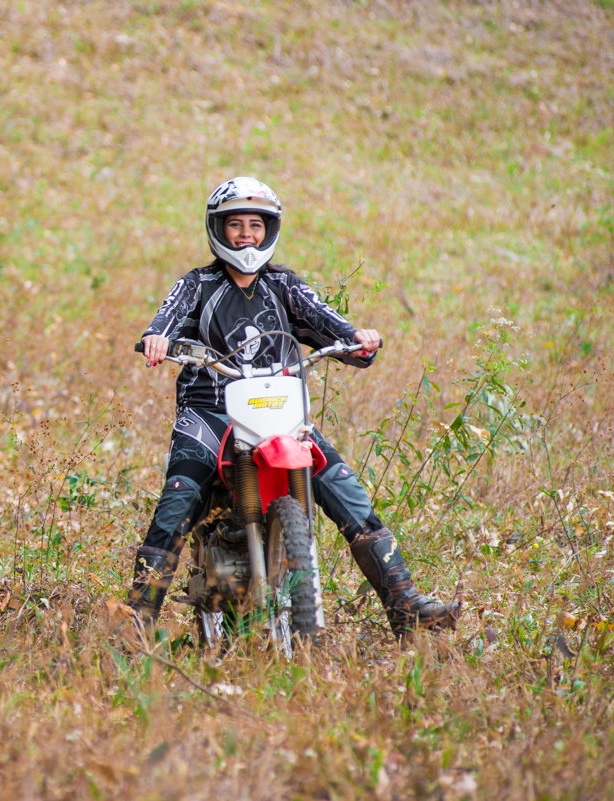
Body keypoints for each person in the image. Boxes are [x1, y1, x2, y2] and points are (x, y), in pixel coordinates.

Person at [128, 176, 459, 639]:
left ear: (270, 229)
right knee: (177, 499)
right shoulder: (197, 285)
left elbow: (329, 323)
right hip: (209, 413)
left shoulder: (284, 285)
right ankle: (136, 621)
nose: (246, 235)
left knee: (345, 488)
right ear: (218, 229)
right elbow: (163, 320)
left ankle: (405, 606)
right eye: (236, 225)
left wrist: (357, 338)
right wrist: (157, 339)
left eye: (256, 225)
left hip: (278, 412)